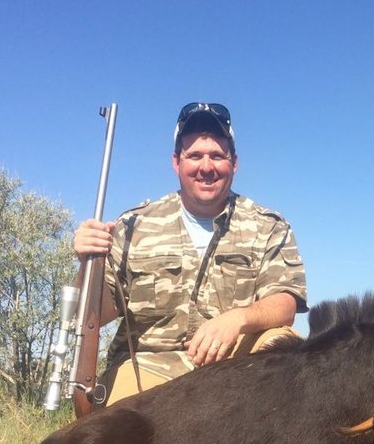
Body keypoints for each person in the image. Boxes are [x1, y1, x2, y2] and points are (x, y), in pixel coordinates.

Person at [73, 102, 307, 405]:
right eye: (194, 155)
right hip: (148, 367)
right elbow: (96, 315)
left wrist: (237, 319)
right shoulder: (133, 225)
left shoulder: (267, 226)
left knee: (288, 347)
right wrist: (88, 263)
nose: (206, 167)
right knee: (118, 434)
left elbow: (285, 303)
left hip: (236, 363)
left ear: (234, 162)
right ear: (176, 162)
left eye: (217, 155)